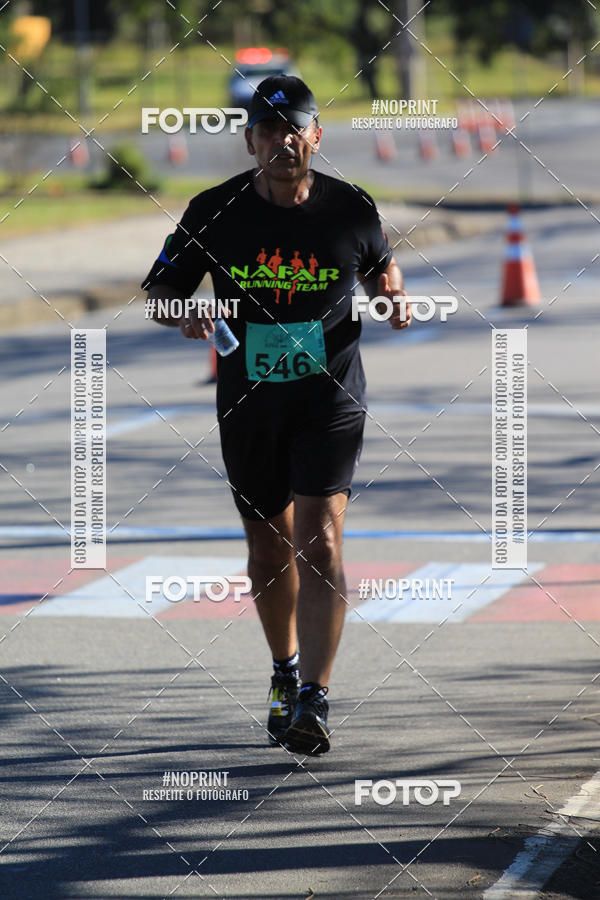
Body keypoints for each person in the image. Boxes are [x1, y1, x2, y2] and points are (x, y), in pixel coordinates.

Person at [143, 75, 411, 755]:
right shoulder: (214, 210)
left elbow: (383, 270)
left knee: (319, 540)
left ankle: (316, 700)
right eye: (269, 130)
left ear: (316, 136)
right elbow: (160, 290)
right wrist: (184, 310)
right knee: (269, 544)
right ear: (249, 140)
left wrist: (394, 300)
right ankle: (284, 672)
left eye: (296, 128)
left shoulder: (349, 208)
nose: (283, 142)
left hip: (330, 399)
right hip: (249, 403)